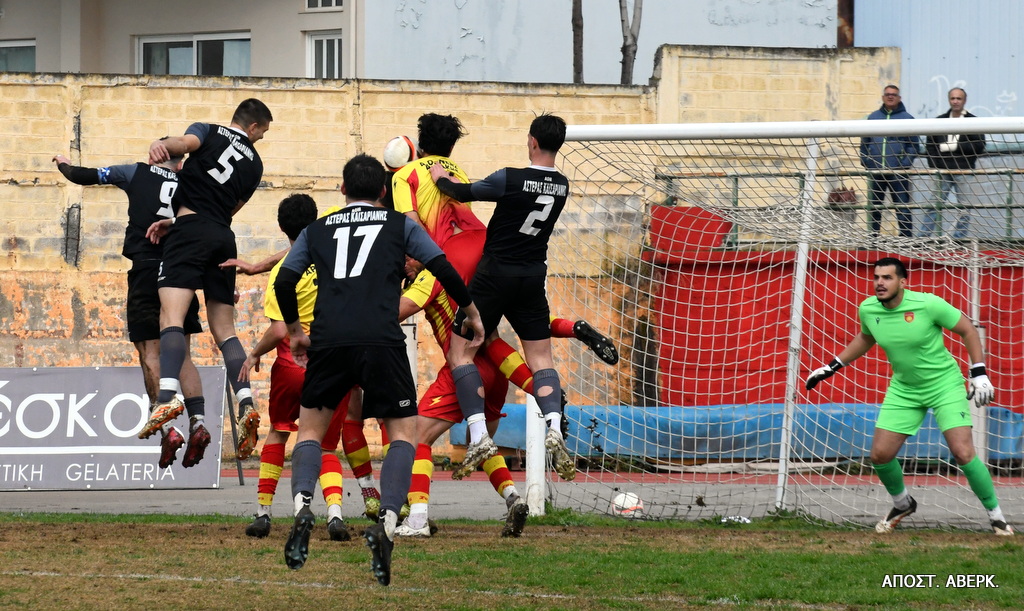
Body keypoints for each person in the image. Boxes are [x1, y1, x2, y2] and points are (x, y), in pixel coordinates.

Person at [274, 153, 484, 584]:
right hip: (382, 337)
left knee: (311, 431)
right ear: (384, 192)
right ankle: (387, 521)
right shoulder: (400, 224)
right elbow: (442, 266)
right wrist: (470, 309)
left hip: (330, 339)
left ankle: (302, 510)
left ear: (342, 190)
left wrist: (296, 331)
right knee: (402, 434)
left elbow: (283, 280)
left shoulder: (316, 229)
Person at [806, 257, 1013, 536]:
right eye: (877, 277)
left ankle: (997, 517)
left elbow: (967, 330)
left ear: (902, 282)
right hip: (904, 389)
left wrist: (979, 373)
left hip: (944, 385)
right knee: (880, 455)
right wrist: (831, 366)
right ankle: (903, 504)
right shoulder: (868, 309)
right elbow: (866, 337)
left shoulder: (928, 304)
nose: (880, 282)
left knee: (963, 452)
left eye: (887, 278)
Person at [430, 113, 577, 482]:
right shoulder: (562, 185)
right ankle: (555, 429)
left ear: (531, 141)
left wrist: (440, 178)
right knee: (541, 357)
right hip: (531, 276)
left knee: (461, 351)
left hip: (495, 276)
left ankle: (478, 434)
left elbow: (463, 193)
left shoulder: (511, 178)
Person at [53, 148, 206, 469]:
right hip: (180, 272)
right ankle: (199, 424)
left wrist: (63, 165)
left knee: (149, 352)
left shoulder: (136, 172)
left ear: (154, 159)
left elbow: (85, 176)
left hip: (146, 270)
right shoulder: (188, 185)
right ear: (179, 163)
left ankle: (167, 429)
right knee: (184, 355)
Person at [140, 99, 272, 465]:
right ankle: (245, 399)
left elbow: (185, 144)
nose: (262, 137)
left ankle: (167, 398)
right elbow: (230, 210)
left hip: (190, 233)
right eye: (264, 131)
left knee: (172, 318)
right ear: (255, 126)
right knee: (225, 329)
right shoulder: (256, 163)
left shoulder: (209, 130)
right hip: (222, 238)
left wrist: (164, 144)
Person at [240, 194, 357, 542]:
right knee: (325, 444)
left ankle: (263, 514)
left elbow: (279, 330)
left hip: (294, 365)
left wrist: (253, 353)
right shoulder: (336, 261)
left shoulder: (283, 271)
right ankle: (335, 514)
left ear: (281, 228)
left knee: (279, 432)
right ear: (317, 220)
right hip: (335, 362)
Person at [923, 87, 986, 238]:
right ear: (949, 100)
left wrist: (954, 147)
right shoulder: (939, 121)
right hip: (942, 171)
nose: (956, 101)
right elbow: (930, 147)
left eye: (959, 98)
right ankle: (923, 238)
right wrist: (935, 167)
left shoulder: (974, 121)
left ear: (964, 100)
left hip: (963, 170)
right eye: (953, 98)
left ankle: (959, 239)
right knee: (934, 205)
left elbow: (979, 146)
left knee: (965, 207)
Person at [859, 85, 919, 238]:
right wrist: (867, 161)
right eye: (887, 94)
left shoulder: (907, 118)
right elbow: (865, 143)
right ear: (883, 97)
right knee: (874, 207)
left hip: (898, 172)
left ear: (899, 98)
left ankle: (906, 239)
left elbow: (913, 146)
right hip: (876, 171)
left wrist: (904, 164)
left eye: (894, 94)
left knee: (902, 206)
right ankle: (872, 239)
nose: (890, 97)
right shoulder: (873, 117)